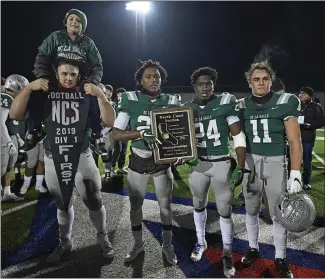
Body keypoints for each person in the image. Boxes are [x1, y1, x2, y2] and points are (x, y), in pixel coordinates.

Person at [9, 59, 116, 262]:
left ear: (79, 75)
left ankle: (102, 237)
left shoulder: (87, 93)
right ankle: (65, 241)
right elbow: (15, 114)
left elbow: (110, 121)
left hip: (82, 156)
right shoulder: (45, 95)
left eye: (72, 74)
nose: (68, 78)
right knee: (63, 204)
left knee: (93, 200)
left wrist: (101, 94)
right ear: (56, 75)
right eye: (64, 74)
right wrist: (30, 87)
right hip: (53, 158)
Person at [111, 60, 180, 265]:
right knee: (135, 206)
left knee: (165, 206)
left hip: (162, 161)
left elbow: (179, 132)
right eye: (149, 76)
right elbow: (116, 134)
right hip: (139, 159)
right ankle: (138, 243)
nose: (153, 79)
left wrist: (180, 151)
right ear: (141, 80)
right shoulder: (130, 99)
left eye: (157, 76)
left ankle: (167, 245)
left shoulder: (171, 100)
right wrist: (140, 133)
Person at [238, 61, 303, 278]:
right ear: (250, 83)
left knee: (279, 213)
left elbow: (295, 141)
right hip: (250, 162)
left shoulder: (285, 102)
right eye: (256, 79)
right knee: (251, 209)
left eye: (265, 79)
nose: (261, 83)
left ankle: (280, 256)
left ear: (271, 81)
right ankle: (253, 247)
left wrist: (295, 172)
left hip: (276, 162)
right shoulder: (241, 105)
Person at [184, 67, 246, 277]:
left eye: (208, 83)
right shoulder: (188, 108)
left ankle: (227, 252)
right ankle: (200, 242)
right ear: (194, 86)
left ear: (214, 85)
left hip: (221, 163)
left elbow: (237, 136)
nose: (205, 87)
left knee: (224, 210)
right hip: (198, 164)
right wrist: (186, 156)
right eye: (200, 84)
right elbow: (180, 140)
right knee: (198, 205)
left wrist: (240, 164)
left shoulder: (225, 103)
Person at [24, 9, 106, 156]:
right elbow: (41, 59)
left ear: (83, 26)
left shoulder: (88, 43)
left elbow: (97, 66)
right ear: (66, 23)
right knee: (37, 91)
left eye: (79, 21)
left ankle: (96, 135)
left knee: (93, 95)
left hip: (79, 81)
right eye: (71, 19)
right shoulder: (55, 37)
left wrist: (92, 82)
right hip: (56, 79)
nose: (75, 22)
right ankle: (33, 130)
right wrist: (44, 78)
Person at [1, 75, 29, 202]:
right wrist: (8, 142)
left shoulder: (12, 99)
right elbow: (1, 123)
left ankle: (7, 192)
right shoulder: (5, 98)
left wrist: (17, 137)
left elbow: (11, 123)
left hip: (11, 136)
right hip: (4, 137)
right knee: (1, 168)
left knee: (9, 167)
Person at [298, 86, 325, 190]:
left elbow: (322, 121)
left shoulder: (315, 107)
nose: (301, 95)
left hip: (307, 137)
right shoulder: (296, 105)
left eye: (304, 93)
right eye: (300, 93)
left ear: (309, 95)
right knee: (292, 160)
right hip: (294, 137)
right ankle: (293, 180)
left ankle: (306, 181)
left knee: (307, 160)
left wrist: (310, 125)